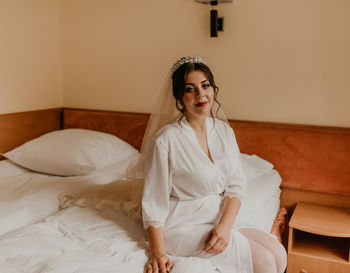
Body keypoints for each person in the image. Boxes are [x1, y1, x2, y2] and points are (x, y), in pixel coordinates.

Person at [141, 56, 287, 273]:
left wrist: (225, 226)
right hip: (183, 222)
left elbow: (236, 185)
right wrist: (157, 252)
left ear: (213, 89)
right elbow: (154, 203)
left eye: (205, 85)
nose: (201, 94)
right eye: (190, 89)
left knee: (278, 253)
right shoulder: (166, 140)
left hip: (215, 214)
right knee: (264, 261)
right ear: (179, 97)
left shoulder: (223, 131)